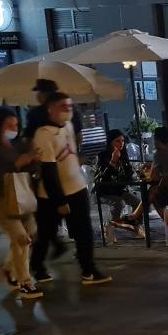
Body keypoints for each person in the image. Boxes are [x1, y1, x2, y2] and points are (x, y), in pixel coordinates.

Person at [30, 92, 111, 285]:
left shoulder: (68, 126)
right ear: (51, 110)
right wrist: (59, 200)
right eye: (64, 107)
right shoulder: (43, 135)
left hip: (77, 187)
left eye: (70, 106)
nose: (69, 110)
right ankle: (37, 266)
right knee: (46, 232)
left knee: (84, 232)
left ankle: (88, 270)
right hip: (51, 194)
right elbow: (49, 170)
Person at [0, 108, 42, 299]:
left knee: (28, 234)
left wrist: (32, 160)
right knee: (21, 238)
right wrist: (18, 162)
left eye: (15, 125)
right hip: (0, 199)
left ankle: (8, 269)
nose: (14, 129)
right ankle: (25, 282)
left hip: (21, 196)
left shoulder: (17, 145)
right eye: (9, 125)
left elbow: (29, 167)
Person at [98, 130, 142, 240]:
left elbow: (129, 174)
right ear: (110, 142)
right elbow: (103, 178)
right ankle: (109, 229)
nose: (121, 143)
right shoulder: (103, 155)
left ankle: (136, 227)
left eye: (122, 141)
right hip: (105, 191)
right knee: (119, 203)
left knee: (138, 202)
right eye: (117, 141)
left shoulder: (123, 154)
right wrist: (113, 161)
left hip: (119, 189)